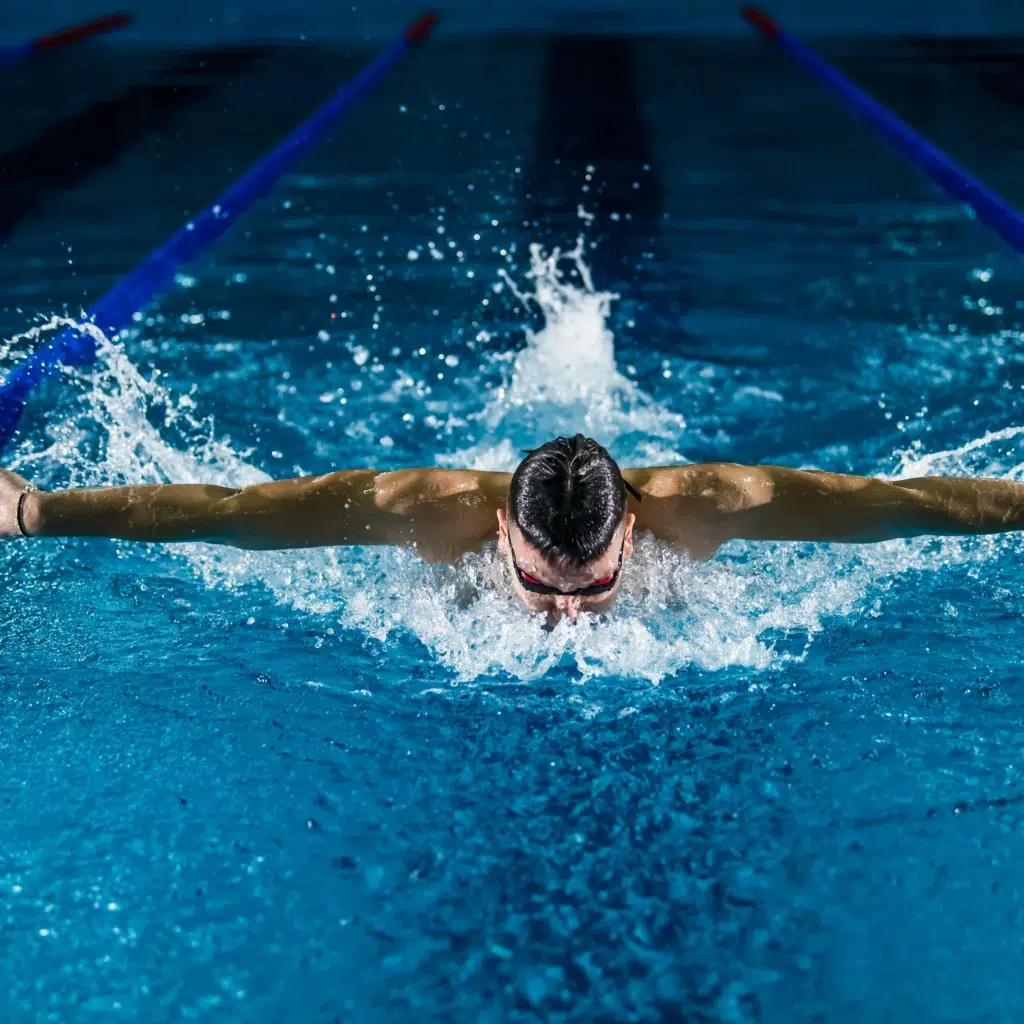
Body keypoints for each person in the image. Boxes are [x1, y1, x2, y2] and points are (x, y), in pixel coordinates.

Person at [2, 433, 1022, 625]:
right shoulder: (417, 508)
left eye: (592, 587)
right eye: (540, 588)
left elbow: (899, 505)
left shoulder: (716, 502)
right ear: (499, 530)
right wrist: (32, 511)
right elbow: (228, 517)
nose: (566, 618)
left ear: (634, 529)